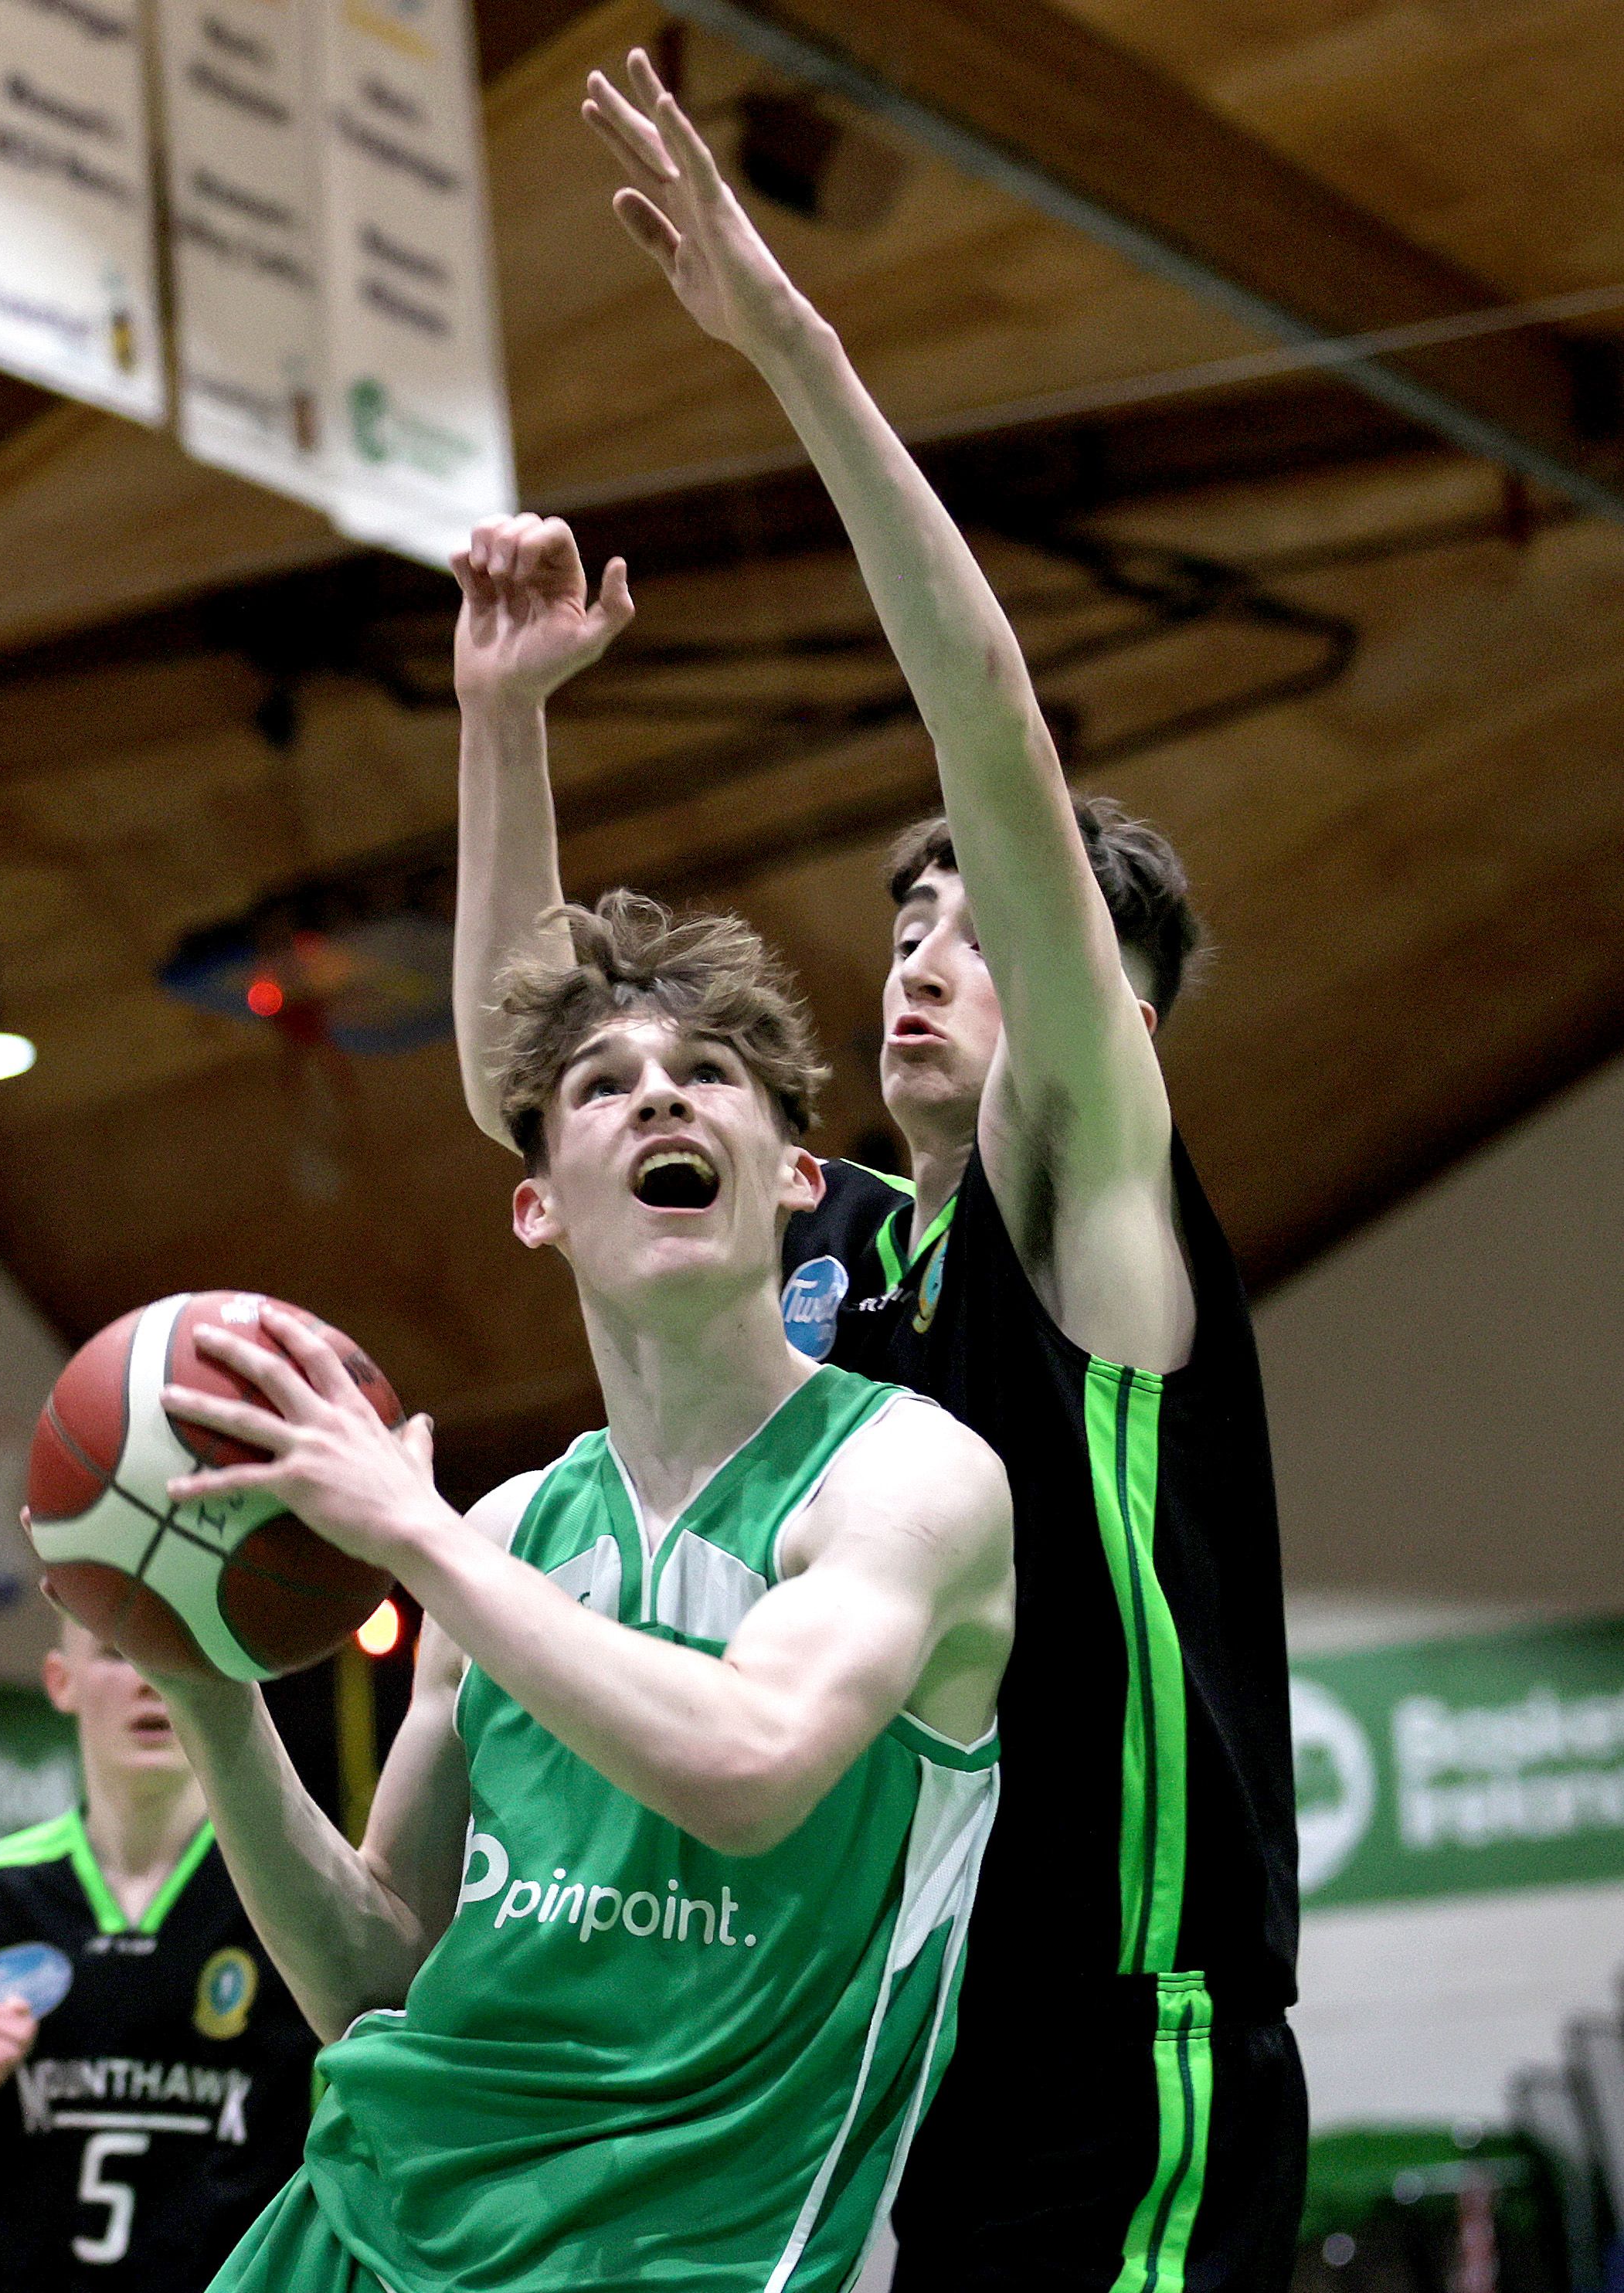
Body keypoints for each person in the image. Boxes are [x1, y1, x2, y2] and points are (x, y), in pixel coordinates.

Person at [449, 50, 1306, 2291]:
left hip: (1128, 2056)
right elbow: (524, 1074)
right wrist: (508, 724)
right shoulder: (838, 1249)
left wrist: (789, 353)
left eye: (992, 931)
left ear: (1108, 1013)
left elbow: (987, 723)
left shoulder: (1100, 1235)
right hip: (884, 2036)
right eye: (905, 924)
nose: (934, 954)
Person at [115, 889, 1013, 2293]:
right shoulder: (510, 1524)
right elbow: (374, 1981)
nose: (661, 1096)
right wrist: (208, 1690)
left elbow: (751, 1760)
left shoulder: (910, 1478)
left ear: (791, 1173)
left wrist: (420, 1542)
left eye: (711, 1075)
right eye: (604, 1086)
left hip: (687, 2258)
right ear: (537, 1205)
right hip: (359, 2225)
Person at [0, 1619, 316, 2291]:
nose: (148, 1680)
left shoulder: (299, 1887)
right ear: (62, 1681)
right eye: (116, 1654)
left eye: (176, 1654)